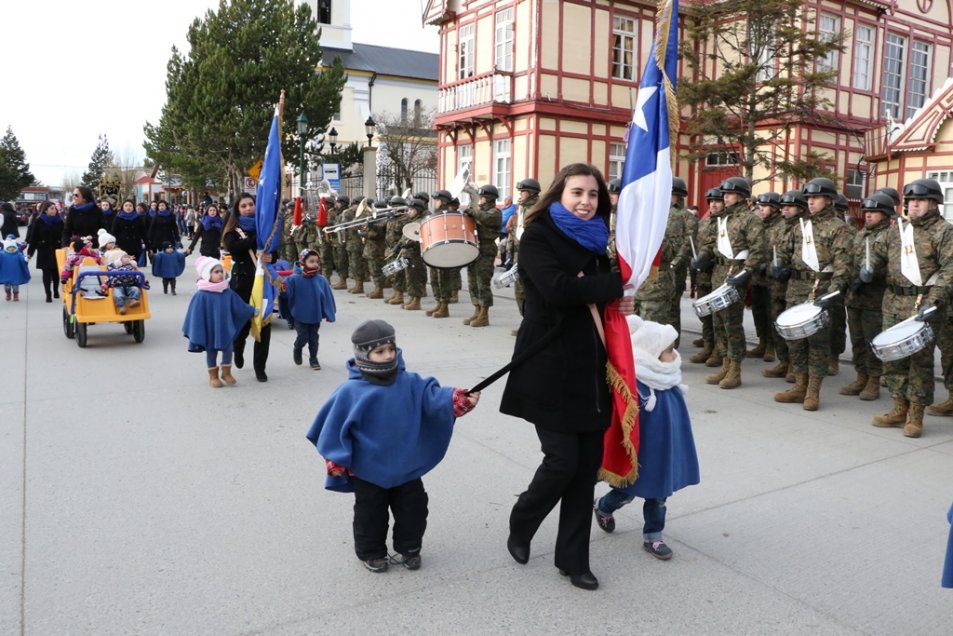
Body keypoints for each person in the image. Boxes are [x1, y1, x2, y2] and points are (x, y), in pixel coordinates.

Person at [499, 163, 635, 591]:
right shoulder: (537, 235)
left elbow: (594, 297)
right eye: (577, 192)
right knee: (562, 462)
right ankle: (523, 519)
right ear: (559, 194)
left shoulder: (598, 242)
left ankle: (573, 560)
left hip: (591, 368)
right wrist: (615, 284)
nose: (585, 202)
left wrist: (619, 298)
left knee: (585, 469)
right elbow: (558, 291)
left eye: (593, 195)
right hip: (548, 364)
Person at [306, 319, 481, 572]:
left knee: (414, 509)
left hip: (406, 465)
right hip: (367, 470)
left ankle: (409, 548)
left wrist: (459, 400)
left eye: (391, 348)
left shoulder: (411, 382)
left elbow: (435, 399)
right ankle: (371, 552)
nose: (388, 355)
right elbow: (333, 429)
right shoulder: (350, 391)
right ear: (363, 355)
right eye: (380, 351)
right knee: (370, 514)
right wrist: (337, 460)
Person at [593, 316, 699, 560]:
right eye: (668, 351)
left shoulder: (668, 380)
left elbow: (677, 420)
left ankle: (653, 536)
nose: (674, 356)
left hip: (663, 453)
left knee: (658, 497)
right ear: (651, 353)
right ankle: (603, 507)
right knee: (626, 492)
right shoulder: (636, 386)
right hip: (640, 455)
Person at [866, 178, 953, 437]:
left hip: (923, 305)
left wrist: (934, 302)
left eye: (920, 200)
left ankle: (915, 416)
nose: (914, 205)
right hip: (893, 303)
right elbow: (878, 253)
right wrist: (868, 268)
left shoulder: (944, 231)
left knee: (919, 363)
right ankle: (898, 409)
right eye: (911, 201)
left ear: (934, 203)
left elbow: (949, 270)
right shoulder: (898, 230)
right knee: (893, 359)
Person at [693, 177, 766, 389]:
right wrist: (703, 256)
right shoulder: (722, 218)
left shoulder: (750, 220)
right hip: (718, 272)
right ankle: (725, 363)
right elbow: (711, 244)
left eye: (730, 194)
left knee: (731, 323)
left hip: (735, 273)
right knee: (718, 322)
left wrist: (746, 273)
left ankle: (735, 369)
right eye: (724, 194)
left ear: (741, 196)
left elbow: (758, 251)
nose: (725, 197)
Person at [840, 193, 892, 401]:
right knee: (858, 340)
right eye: (867, 211)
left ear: (885, 214)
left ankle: (874, 380)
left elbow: (894, 267)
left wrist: (874, 274)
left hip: (875, 299)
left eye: (874, 212)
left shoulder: (890, 236)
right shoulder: (861, 234)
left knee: (873, 340)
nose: (868, 215)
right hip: (855, 296)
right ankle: (861, 376)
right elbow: (850, 260)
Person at [222, 193, 276, 382]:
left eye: (251, 204)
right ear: (237, 210)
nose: (248, 208)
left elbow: (274, 252)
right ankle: (238, 348)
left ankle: (260, 367)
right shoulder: (233, 230)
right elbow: (234, 247)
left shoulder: (264, 227)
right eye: (243, 206)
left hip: (263, 283)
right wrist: (259, 238)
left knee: (264, 326)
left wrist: (271, 256)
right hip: (242, 283)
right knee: (242, 325)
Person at [182, 256, 256, 388]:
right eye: (216, 272)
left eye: (221, 271)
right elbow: (194, 314)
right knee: (211, 351)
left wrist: (251, 310)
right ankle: (213, 376)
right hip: (210, 329)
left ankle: (226, 373)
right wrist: (196, 329)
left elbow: (239, 306)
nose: (220, 274)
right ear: (207, 274)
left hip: (224, 327)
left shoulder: (227, 292)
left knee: (228, 349)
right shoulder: (201, 294)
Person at [763, 191, 808, 381]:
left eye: (790, 206)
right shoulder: (779, 227)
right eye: (783, 206)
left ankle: (795, 366)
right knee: (777, 324)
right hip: (776, 284)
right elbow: (771, 252)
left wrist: (788, 268)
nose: (785, 209)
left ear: (800, 208)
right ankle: (783, 360)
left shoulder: (805, 227)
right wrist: (771, 266)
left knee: (793, 328)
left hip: (796, 286)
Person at [284, 249, 336, 370]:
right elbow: (286, 295)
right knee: (303, 337)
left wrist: (329, 313)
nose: (315, 264)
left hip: (315, 315)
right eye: (311, 261)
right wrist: (281, 289)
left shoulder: (321, 279)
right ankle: (297, 348)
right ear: (302, 262)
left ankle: (313, 359)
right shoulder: (293, 279)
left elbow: (327, 297)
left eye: (317, 261)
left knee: (314, 338)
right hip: (299, 315)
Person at [461, 184, 502, 327]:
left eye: (483, 197)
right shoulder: (479, 211)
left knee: (482, 283)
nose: (481, 199)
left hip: (486, 249)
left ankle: (484, 315)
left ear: (489, 198)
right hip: (475, 248)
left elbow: (485, 217)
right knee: (472, 281)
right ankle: (477, 310)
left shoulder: (495, 213)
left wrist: (472, 211)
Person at [688, 188, 721, 366]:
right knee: (705, 314)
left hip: (717, 273)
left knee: (717, 317)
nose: (714, 204)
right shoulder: (704, 223)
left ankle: (718, 351)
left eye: (717, 201)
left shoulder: (724, 223)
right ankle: (708, 346)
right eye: (711, 201)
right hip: (703, 275)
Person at [25, 201, 64, 302]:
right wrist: (30, 252)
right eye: (52, 208)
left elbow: (64, 235)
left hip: (57, 249)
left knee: (56, 272)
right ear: (46, 210)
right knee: (46, 272)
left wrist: (64, 245)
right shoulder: (39, 221)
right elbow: (34, 237)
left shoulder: (59, 221)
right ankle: (48, 294)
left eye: (55, 208)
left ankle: (55, 290)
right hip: (44, 250)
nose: (54, 210)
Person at [102, 250, 148, 315]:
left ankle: (133, 300)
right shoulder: (113, 269)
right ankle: (121, 306)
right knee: (118, 294)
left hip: (130, 285)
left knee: (136, 289)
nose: (128, 258)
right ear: (119, 259)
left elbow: (136, 275)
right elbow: (110, 278)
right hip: (118, 285)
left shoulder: (130, 267)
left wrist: (143, 280)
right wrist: (105, 284)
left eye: (128, 257)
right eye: (125, 257)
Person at [0, 236, 30, 301]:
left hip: (15, 274)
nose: (11, 248)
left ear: (15, 248)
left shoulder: (18, 254)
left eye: (13, 247)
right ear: (6, 248)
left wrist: (26, 259)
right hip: (6, 274)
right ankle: (8, 293)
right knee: (7, 287)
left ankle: (15, 295)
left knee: (15, 286)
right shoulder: (2, 254)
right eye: (10, 247)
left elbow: (22, 259)